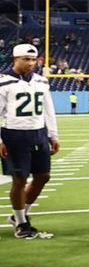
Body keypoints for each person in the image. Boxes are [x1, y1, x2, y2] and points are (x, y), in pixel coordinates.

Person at [0, 42, 59, 240]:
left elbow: (48, 109)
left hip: (38, 132)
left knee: (43, 176)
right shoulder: (4, 82)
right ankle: (21, 222)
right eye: (26, 59)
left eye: (34, 59)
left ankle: (20, 214)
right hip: (14, 134)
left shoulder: (41, 81)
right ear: (15, 59)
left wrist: (53, 135)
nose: (31, 63)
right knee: (19, 179)